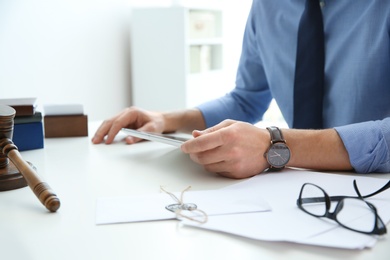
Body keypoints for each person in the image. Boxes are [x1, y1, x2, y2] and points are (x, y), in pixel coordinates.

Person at [92, 0, 390, 179]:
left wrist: (274, 146)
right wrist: (169, 120)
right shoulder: (267, 6)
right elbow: (247, 99)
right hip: (298, 189)